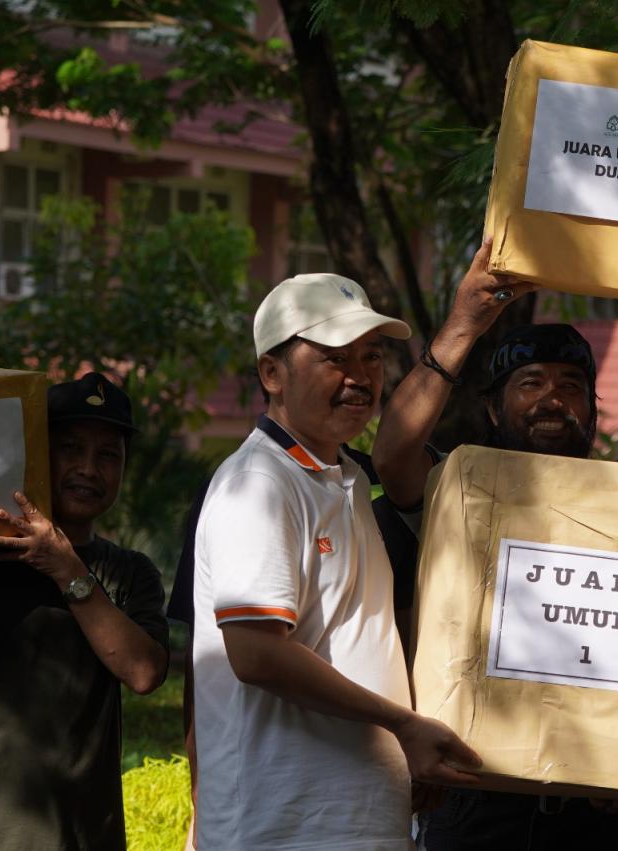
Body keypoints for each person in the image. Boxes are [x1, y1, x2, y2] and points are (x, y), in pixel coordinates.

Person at [371, 236, 618, 851]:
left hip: (596, 804)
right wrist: (463, 323)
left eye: (571, 386)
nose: (552, 399)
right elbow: (392, 453)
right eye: (530, 382)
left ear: (593, 409)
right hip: (472, 802)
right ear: (493, 408)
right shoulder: (458, 489)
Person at [190, 273, 480, 850]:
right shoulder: (260, 482)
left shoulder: (344, 479)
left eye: (372, 356)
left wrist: (404, 746)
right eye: (333, 357)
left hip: (346, 820)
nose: (360, 376)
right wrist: (402, 724)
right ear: (271, 374)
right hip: (283, 829)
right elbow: (257, 653)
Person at [0, 371, 169, 850]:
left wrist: (66, 569)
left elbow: (144, 672)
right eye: (71, 448)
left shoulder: (130, 572)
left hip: (89, 838)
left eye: (108, 455)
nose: (89, 467)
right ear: (39, 453)